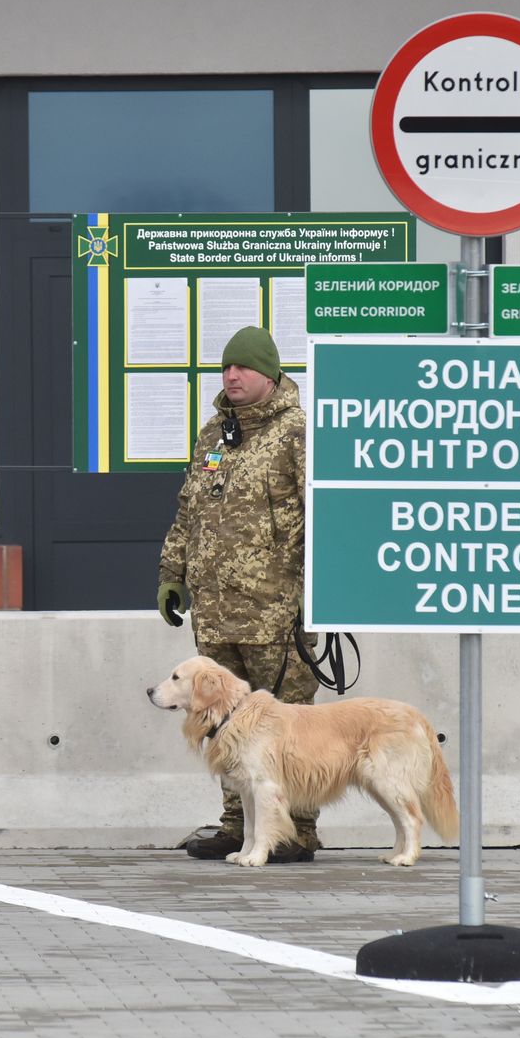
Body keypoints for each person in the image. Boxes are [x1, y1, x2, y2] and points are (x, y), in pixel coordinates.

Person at [157, 325, 321, 863]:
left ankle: (296, 830)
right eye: (226, 367)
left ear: (269, 374)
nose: (231, 375)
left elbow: (325, 515)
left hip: (276, 610)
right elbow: (190, 508)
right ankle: (238, 826)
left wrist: (316, 591)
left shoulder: (298, 432)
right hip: (216, 609)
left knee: (289, 725)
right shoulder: (214, 434)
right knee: (220, 723)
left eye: (243, 367)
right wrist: (172, 571)